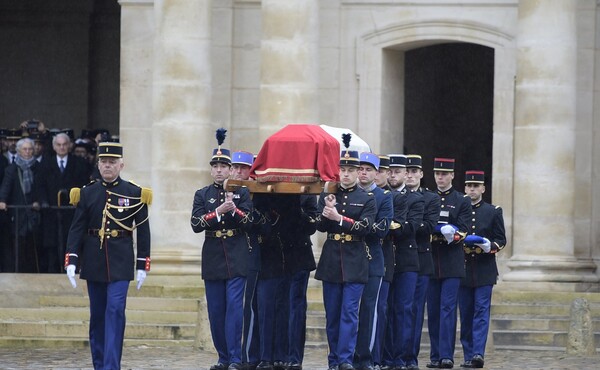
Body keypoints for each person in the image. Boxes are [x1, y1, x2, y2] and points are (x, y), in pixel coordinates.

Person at [64, 141, 152, 370]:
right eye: (104, 162)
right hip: (94, 260)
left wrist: (143, 263)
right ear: (98, 163)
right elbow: (77, 229)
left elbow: (143, 230)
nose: (108, 166)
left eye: (112, 162)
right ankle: (100, 364)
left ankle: (111, 366)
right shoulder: (86, 193)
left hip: (121, 261)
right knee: (98, 317)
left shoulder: (135, 193)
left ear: (121, 165)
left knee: (115, 311)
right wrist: (71, 259)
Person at [191, 129, 253, 370]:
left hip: (237, 254)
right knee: (216, 311)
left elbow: (248, 221)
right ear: (211, 169)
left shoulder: (243, 192)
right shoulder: (202, 194)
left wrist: (233, 209)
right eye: (215, 165)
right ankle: (223, 357)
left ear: (230, 169)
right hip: (213, 255)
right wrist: (218, 212)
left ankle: (236, 358)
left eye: (223, 165)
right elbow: (196, 224)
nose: (219, 170)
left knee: (234, 309)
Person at [315, 134, 377, 370]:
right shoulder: (329, 195)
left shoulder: (366, 198)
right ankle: (333, 359)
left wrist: (339, 217)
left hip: (355, 260)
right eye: (343, 169)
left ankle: (345, 359)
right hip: (332, 259)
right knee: (332, 315)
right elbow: (319, 227)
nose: (347, 174)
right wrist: (325, 211)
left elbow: (366, 228)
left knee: (350, 314)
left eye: (352, 169)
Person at [458, 171, 506, 369]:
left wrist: (490, 246)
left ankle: (478, 353)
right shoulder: (459, 210)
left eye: (476, 186)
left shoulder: (493, 211)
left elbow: (501, 240)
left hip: (485, 268)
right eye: (469, 186)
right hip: (463, 268)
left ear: (483, 189)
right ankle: (468, 354)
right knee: (466, 313)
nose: (472, 189)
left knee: (481, 311)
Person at [427, 158, 471, 369]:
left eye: (444, 174)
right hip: (432, 259)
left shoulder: (461, 200)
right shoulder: (428, 197)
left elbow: (464, 229)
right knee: (433, 310)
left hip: (452, 261)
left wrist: (452, 233)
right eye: (437, 174)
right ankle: (435, 355)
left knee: (447, 309)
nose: (440, 178)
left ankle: (446, 355)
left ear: (452, 175)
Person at [354, 153, 393, 370]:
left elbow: (382, 229)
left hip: (373, 259)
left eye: (368, 170)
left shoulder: (384, 197)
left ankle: (365, 358)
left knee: (369, 309)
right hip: (351, 259)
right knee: (349, 310)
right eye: (360, 169)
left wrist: (353, 226)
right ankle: (347, 356)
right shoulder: (348, 193)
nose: (363, 173)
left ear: (376, 173)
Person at [386, 154, 424, 370]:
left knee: (403, 310)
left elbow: (411, 228)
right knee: (386, 310)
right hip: (386, 259)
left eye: (399, 171)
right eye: (391, 171)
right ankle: (387, 356)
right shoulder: (382, 195)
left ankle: (402, 358)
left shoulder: (416, 199)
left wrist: (388, 226)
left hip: (406, 260)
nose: (394, 175)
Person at [405, 155, 440, 370]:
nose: (409, 175)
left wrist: (406, 225)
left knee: (415, 311)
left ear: (420, 174)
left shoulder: (431, 198)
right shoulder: (394, 195)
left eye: (413, 171)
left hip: (420, 257)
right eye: (406, 171)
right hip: (399, 258)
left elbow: (429, 226)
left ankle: (411, 357)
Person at [36, 133, 90, 273]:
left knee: (71, 243)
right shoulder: (45, 163)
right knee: (52, 246)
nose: (62, 147)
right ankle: (53, 273)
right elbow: (40, 186)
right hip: (51, 213)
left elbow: (84, 185)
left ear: (69, 145)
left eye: (64, 144)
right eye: (58, 145)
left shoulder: (79, 163)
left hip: (71, 213)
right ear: (54, 147)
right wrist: (44, 202)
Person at [231, 151, 262, 370]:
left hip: (256, 252)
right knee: (242, 306)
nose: (240, 172)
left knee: (252, 305)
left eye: (245, 168)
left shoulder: (257, 194)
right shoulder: (228, 193)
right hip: (234, 255)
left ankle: (250, 355)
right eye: (237, 168)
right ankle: (240, 355)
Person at [0, 137, 42, 273]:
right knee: (18, 247)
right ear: (18, 151)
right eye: (25, 149)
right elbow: (6, 187)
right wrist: (2, 200)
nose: (28, 152)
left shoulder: (38, 168)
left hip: (33, 214)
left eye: (30, 149)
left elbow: (42, 187)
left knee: (33, 247)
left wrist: (39, 202)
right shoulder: (12, 169)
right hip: (18, 216)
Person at [371, 155, 396, 369]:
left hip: (385, 257)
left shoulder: (388, 197)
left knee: (380, 309)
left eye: (380, 171)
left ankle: (378, 357)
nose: (377, 175)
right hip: (363, 259)